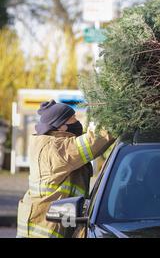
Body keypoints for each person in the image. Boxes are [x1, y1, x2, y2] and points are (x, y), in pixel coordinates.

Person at [17, 100, 115, 238]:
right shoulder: (55, 149)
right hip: (44, 231)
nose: (77, 122)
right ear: (61, 126)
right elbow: (93, 142)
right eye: (73, 119)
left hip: (52, 224)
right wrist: (116, 118)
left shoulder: (49, 143)